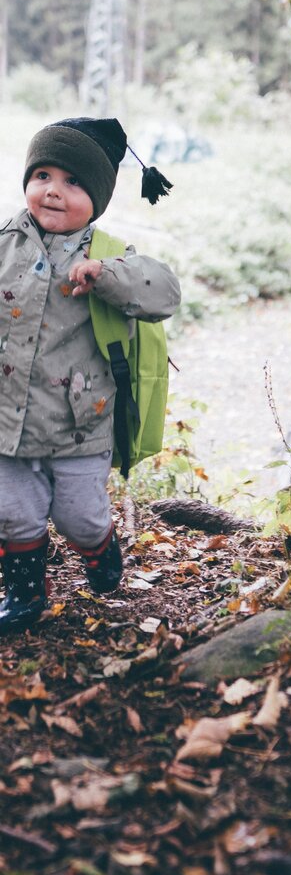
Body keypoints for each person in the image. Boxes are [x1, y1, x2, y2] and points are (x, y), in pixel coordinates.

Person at [0, 117, 181, 634]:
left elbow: (164, 293)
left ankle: (100, 545)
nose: (54, 191)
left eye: (73, 182)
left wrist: (108, 278)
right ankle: (25, 593)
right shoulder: (4, 244)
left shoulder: (110, 255)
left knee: (77, 515)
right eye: (43, 176)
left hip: (81, 422)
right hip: (9, 422)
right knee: (13, 513)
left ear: (97, 198)